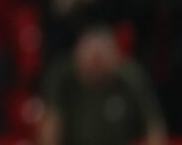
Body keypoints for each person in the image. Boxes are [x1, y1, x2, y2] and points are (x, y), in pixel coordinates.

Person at [39, 26, 167, 145]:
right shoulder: (63, 77)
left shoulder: (130, 77)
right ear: (77, 60)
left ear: (115, 59)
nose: (95, 68)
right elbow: (51, 125)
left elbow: (154, 127)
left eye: (100, 63)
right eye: (91, 64)